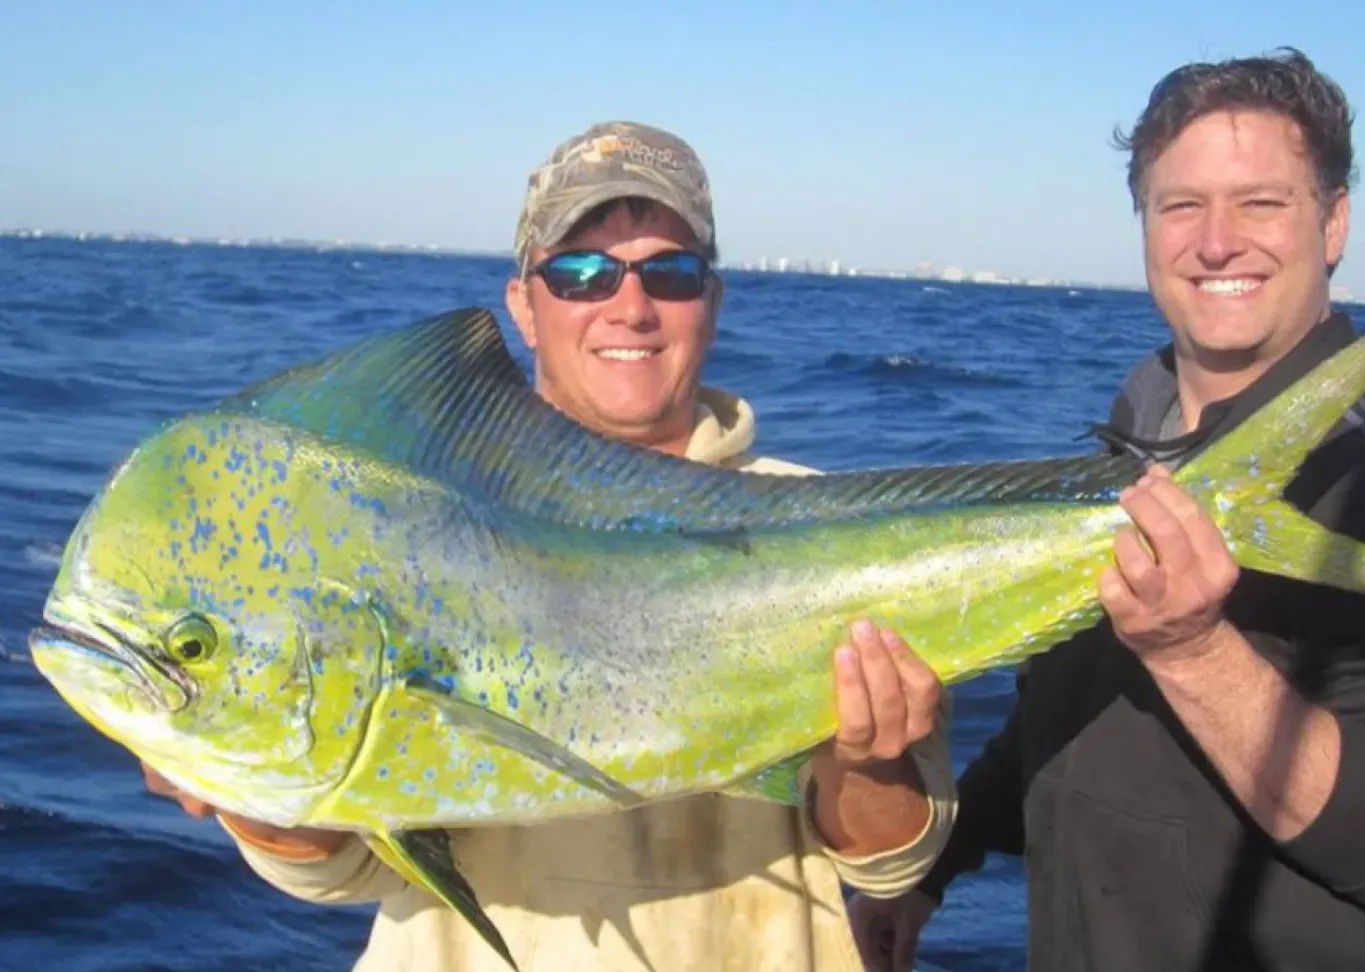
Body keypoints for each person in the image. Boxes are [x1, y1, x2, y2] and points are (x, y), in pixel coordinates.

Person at [142, 120, 959, 972]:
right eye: (580, 273)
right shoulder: (402, 534)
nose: (630, 306)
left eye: (671, 273)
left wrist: (870, 763)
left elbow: (894, 859)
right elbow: (339, 867)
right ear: (524, 305)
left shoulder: (832, 533)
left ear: (711, 303)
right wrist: (252, 787)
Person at [849, 47, 1365, 972]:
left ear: (1333, 223)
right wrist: (939, 869)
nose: (1216, 242)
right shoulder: (1130, 452)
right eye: (1181, 205)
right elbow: (1062, 710)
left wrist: (1196, 652)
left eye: (1261, 202)